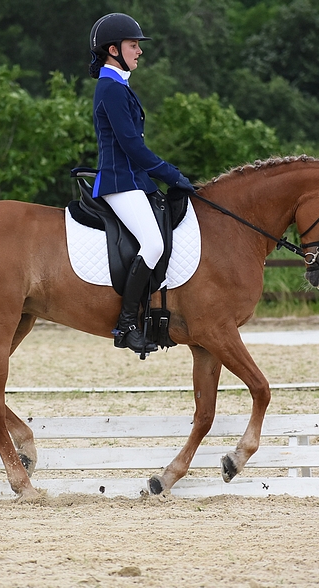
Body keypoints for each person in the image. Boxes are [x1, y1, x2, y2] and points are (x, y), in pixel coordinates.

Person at [88, 12, 193, 354]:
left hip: (135, 181)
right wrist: (172, 174)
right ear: (113, 49)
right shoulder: (111, 88)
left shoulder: (119, 86)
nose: (139, 51)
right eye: (134, 45)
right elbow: (132, 146)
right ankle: (127, 324)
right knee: (153, 244)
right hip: (120, 182)